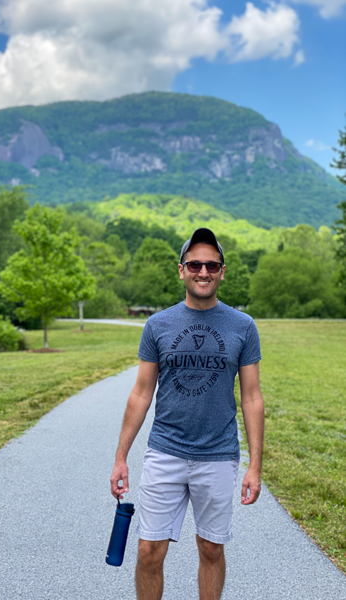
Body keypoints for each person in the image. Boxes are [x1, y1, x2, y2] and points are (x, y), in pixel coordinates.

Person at [110, 227, 264, 600]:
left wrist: (255, 466)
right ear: (181, 270)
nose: (203, 272)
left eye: (212, 265)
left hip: (218, 454)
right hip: (165, 450)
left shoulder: (243, 326)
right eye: (195, 264)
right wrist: (120, 457)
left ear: (222, 272)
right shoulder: (158, 325)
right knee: (149, 551)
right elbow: (141, 393)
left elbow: (252, 398)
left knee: (211, 549)